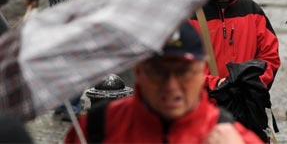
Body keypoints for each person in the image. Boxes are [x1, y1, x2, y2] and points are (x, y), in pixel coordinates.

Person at [65, 22, 262, 144]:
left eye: (183, 73)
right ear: (139, 71)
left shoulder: (232, 137)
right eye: (159, 73)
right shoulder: (95, 128)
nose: (172, 88)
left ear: (202, 71)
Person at [185, 0, 280, 91]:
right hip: (207, 109)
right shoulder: (188, 18)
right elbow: (183, 69)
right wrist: (216, 85)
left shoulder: (252, 10)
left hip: (246, 106)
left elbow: (270, 57)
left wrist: (253, 84)